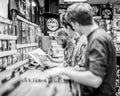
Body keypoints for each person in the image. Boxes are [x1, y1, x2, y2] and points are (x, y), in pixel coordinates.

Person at [42, 3, 116, 96]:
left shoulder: (97, 39)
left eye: (73, 25)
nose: (73, 28)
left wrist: (63, 71)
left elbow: (95, 79)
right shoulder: (98, 35)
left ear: (76, 23)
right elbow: (87, 69)